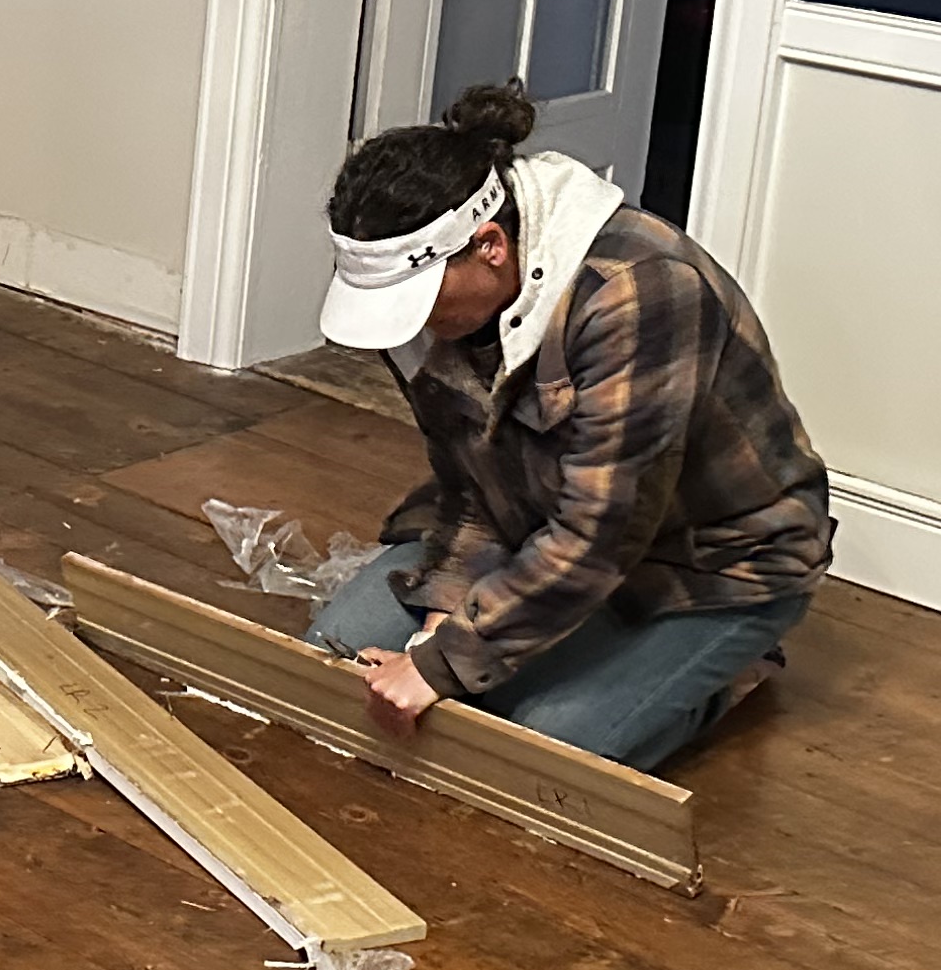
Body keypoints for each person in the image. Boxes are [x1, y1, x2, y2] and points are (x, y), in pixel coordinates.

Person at [308, 80, 829, 773]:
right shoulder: (437, 305)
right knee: (334, 656)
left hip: (709, 563)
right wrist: (444, 618)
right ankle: (543, 648)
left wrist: (443, 666)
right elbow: (468, 482)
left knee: (537, 745)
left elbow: (602, 536)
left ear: (490, 245)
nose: (410, 324)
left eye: (419, 300)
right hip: (535, 528)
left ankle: (723, 675)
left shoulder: (639, 293)